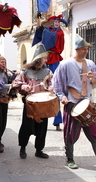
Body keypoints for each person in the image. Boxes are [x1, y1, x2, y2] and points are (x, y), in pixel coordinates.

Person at [52, 34, 96, 169]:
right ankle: (69, 159)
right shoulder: (65, 64)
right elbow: (57, 83)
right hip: (73, 102)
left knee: (94, 132)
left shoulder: (90, 64)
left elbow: (94, 84)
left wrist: (92, 78)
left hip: (88, 102)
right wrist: (62, 97)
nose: (86, 51)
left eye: (87, 49)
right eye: (83, 49)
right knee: (70, 132)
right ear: (77, 49)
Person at [13, 43, 53, 159]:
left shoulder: (47, 72)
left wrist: (51, 88)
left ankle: (39, 150)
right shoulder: (25, 72)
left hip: (43, 103)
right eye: (44, 58)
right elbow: (16, 83)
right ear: (39, 59)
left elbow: (52, 83)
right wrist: (24, 86)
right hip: (30, 103)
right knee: (26, 126)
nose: (46, 60)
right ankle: (23, 148)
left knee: (42, 127)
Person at [33, 14, 68, 131]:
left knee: (56, 88)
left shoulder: (60, 33)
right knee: (39, 86)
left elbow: (51, 37)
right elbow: (41, 32)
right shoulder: (50, 30)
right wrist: (39, 23)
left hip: (54, 59)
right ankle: (39, 115)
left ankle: (57, 120)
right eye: (55, 22)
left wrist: (44, 30)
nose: (56, 23)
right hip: (46, 57)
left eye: (58, 22)